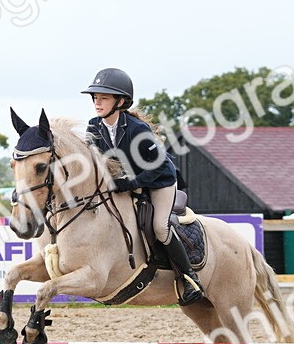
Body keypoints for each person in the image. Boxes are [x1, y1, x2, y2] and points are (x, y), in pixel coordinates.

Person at [82, 67, 204, 306]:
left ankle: (189, 277)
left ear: (121, 101)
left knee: (160, 227)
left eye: (103, 97)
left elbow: (158, 167)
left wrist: (130, 183)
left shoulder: (138, 130)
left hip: (159, 181)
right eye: (95, 97)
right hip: (123, 182)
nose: (97, 102)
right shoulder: (93, 127)